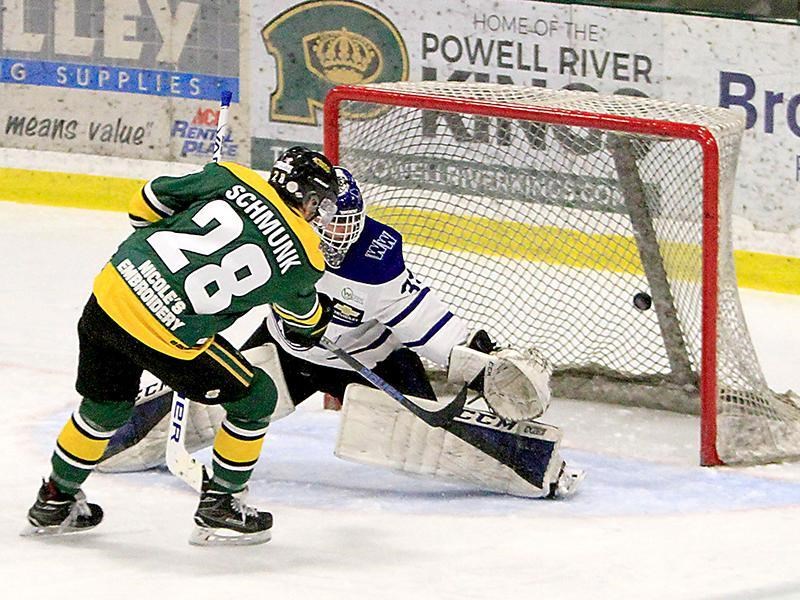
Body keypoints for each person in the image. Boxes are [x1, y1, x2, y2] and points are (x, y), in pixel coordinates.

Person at [98, 168, 581, 499]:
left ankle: (538, 468)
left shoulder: (376, 258)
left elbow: (421, 320)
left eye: (345, 222)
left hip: (369, 363)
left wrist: (477, 363)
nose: (336, 233)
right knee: (222, 398)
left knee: (430, 434)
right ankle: (109, 436)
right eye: (327, 221)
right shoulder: (272, 233)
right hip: (286, 349)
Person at [23, 146, 339, 546]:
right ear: (305, 196)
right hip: (169, 337)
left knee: (105, 406)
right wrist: (322, 311)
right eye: (317, 202)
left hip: (111, 296)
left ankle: (55, 498)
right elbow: (304, 323)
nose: (317, 212)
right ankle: (221, 505)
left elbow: (144, 203)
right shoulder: (306, 256)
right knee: (257, 397)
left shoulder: (230, 176)